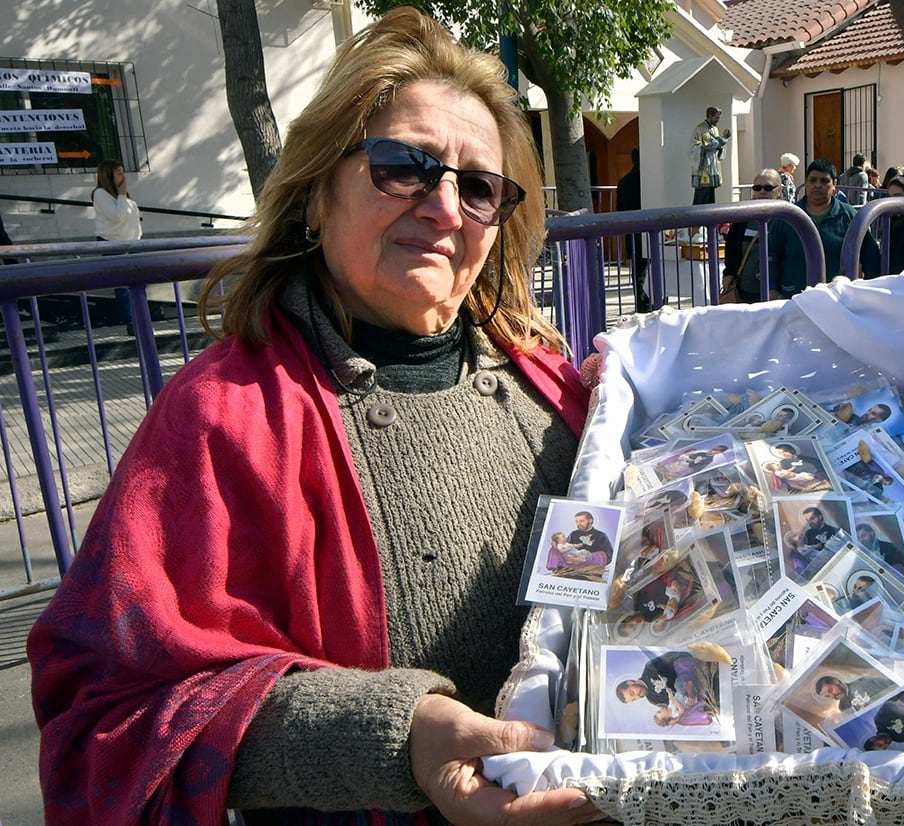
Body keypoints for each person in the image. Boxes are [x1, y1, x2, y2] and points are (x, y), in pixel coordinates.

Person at [28, 10, 602, 826]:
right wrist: (390, 739)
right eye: (403, 166)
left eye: (478, 188)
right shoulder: (219, 418)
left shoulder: (556, 383)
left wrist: (662, 420)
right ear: (314, 195)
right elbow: (104, 716)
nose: (444, 208)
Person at [766, 158, 878, 297]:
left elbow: (871, 258)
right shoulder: (787, 217)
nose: (818, 185)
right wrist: (773, 292)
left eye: (825, 181)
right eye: (812, 180)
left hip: (837, 301)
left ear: (834, 185)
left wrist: (866, 295)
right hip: (794, 301)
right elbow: (771, 257)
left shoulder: (850, 217)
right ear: (806, 183)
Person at [91, 159, 144, 332]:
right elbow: (117, 216)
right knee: (123, 286)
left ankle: (141, 318)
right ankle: (132, 322)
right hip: (113, 243)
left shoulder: (123, 195)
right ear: (109, 176)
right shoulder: (100, 194)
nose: (124, 176)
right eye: (119, 173)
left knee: (139, 282)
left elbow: (132, 217)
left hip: (132, 243)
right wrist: (122, 194)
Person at [722, 168, 782, 302]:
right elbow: (731, 248)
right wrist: (729, 273)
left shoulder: (786, 219)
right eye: (757, 187)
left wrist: (774, 273)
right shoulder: (742, 218)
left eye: (768, 188)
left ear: (778, 191)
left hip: (775, 294)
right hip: (744, 292)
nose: (762, 191)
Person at [615, 146, 650, 312]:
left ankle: (641, 304)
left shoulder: (623, 182)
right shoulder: (651, 181)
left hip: (632, 231)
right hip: (651, 229)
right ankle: (656, 301)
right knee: (655, 267)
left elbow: (619, 211)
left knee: (638, 272)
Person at [691, 106, 731, 205]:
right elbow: (694, 146)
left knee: (710, 196)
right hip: (703, 166)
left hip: (712, 165)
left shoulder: (715, 129)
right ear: (710, 116)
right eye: (716, 118)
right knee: (701, 196)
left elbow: (717, 143)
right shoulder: (700, 128)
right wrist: (705, 147)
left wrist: (722, 143)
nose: (718, 120)